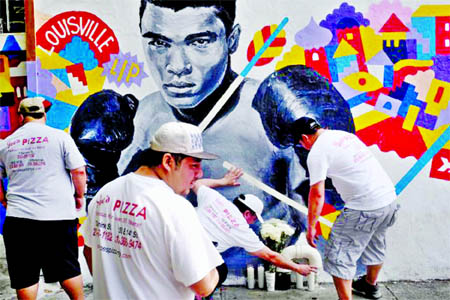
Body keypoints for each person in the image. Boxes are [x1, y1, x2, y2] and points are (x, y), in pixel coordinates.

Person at [80, 121, 225, 300]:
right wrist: (217, 270)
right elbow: (203, 286)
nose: (200, 174)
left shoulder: (105, 193)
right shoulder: (175, 208)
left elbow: (89, 251)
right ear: (168, 161)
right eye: (194, 165)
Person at [291, 116, 400, 300]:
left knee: (338, 256)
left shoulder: (317, 152)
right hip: (388, 201)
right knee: (375, 244)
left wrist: (311, 227)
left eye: (301, 144)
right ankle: (369, 286)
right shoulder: (344, 135)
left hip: (364, 207)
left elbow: (317, 194)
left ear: (305, 137)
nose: (303, 147)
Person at [0, 97, 86, 300]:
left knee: (25, 275)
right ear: (43, 114)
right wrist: (79, 196)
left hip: (19, 219)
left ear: (21, 116)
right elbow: (79, 171)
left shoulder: (6, 144)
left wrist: (3, 200)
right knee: (68, 269)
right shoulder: (60, 137)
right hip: (58, 217)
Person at [193, 170, 317, 277]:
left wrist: (223, 181)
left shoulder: (215, 199)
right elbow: (271, 256)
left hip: (178, 241)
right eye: (254, 218)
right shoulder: (243, 231)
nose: (253, 222)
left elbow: (197, 184)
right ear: (247, 213)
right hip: (196, 259)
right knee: (221, 271)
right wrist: (297, 268)